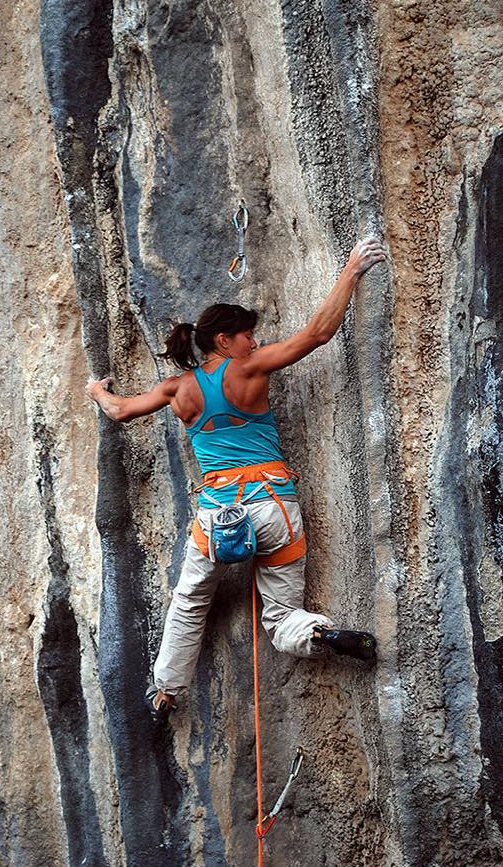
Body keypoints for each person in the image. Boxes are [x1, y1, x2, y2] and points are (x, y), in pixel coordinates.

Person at [86, 237, 387, 719]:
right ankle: (318, 634)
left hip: (217, 514)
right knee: (282, 614)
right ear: (224, 341)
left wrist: (95, 390)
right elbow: (315, 334)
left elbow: (120, 410)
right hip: (273, 506)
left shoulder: (176, 389)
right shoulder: (248, 368)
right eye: (248, 334)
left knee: (188, 601)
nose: (255, 341)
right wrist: (351, 271)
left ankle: (166, 690)